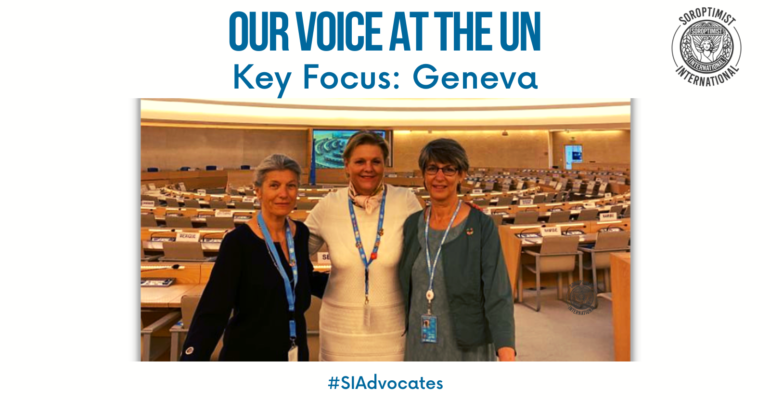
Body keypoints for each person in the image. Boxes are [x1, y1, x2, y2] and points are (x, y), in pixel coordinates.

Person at [180, 154, 326, 361]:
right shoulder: (238, 242)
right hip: (247, 353)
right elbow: (213, 309)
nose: (283, 193)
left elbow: (302, 278)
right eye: (274, 185)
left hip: (295, 351)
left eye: (291, 186)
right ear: (258, 191)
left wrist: (352, 280)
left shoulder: (300, 234)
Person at [305, 131, 423, 361]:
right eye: (360, 161)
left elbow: (427, 253)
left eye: (375, 161)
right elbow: (294, 252)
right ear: (346, 165)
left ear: (384, 165)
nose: (368, 168)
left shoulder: (406, 200)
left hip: (391, 327)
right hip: (339, 328)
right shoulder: (329, 205)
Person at [397, 138, 515, 361]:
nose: (439, 177)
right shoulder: (412, 225)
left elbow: (497, 293)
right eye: (432, 168)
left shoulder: (481, 225)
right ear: (423, 174)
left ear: (462, 175)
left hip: (467, 347)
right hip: (420, 344)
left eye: (449, 169)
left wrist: (506, 353)